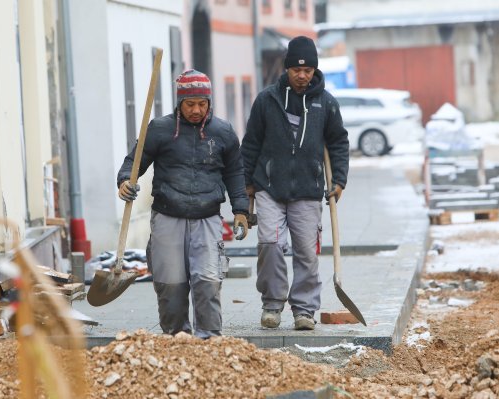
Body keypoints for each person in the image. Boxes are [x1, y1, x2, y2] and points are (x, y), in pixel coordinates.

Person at [117, 69, 249, 339]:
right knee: (170, 285)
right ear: (180, 103)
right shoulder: (159, 130)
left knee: (208, 282)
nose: (197, 110)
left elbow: (235, 173)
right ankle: (176, 338)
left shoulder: (223, 132)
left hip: (208, 219)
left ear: (209, 103)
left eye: (202, 103)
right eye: (190, 104)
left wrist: (241, 210)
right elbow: (135, 162)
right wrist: (124, 181)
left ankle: (210, 338)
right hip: (167, 218)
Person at [241, 36, 349, 331]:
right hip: (269, 186)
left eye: (308, 70)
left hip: (308, 189)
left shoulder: (326, 103)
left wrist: (339, 179)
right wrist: (246, 184)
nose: (302, 76)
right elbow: (250, 144)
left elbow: (338, 142)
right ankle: (272, 305)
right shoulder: (267, 100)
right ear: (287, 69)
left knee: (306, 251)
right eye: (296, 70)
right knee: (271, 244)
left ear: (315, 71)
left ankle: (304, 310)